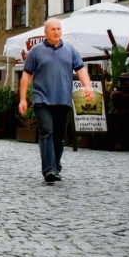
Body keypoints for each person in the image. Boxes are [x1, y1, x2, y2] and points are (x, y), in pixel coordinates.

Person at [18, 18, 94, 184]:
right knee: (47, 132)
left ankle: (55, 167)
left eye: (59, 28)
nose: (56, 32)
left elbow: (80, 69)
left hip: (62, 99)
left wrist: (87, 87)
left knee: (59, 136)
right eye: (53, 29)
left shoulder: (70, 50)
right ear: (46, 32)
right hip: (41, 99)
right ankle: (49, 170)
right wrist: (23, 99)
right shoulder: (36, 52)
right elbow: (26, 76)